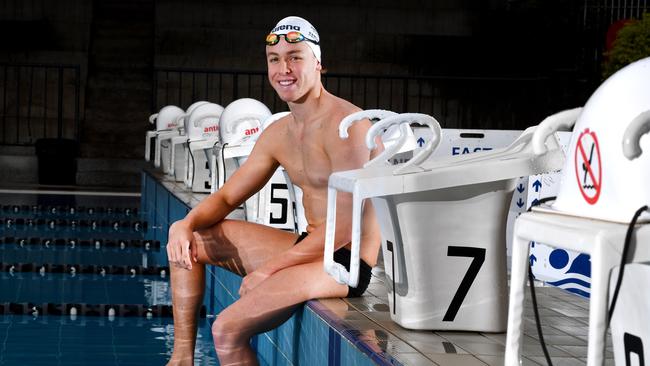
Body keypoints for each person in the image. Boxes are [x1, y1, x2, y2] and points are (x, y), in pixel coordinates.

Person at [166, 15, 382, 365]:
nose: (285, 69)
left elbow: (344, 227)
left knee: (226, 330)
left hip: (344, 261)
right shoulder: (279, 132)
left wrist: (270, 270)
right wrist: (184, 225)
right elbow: (225, 198)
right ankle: (181, 357)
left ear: (318, 63)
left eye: (295, 56)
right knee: (188, 241)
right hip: (305, 247)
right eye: (275, 60)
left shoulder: (348, 127)